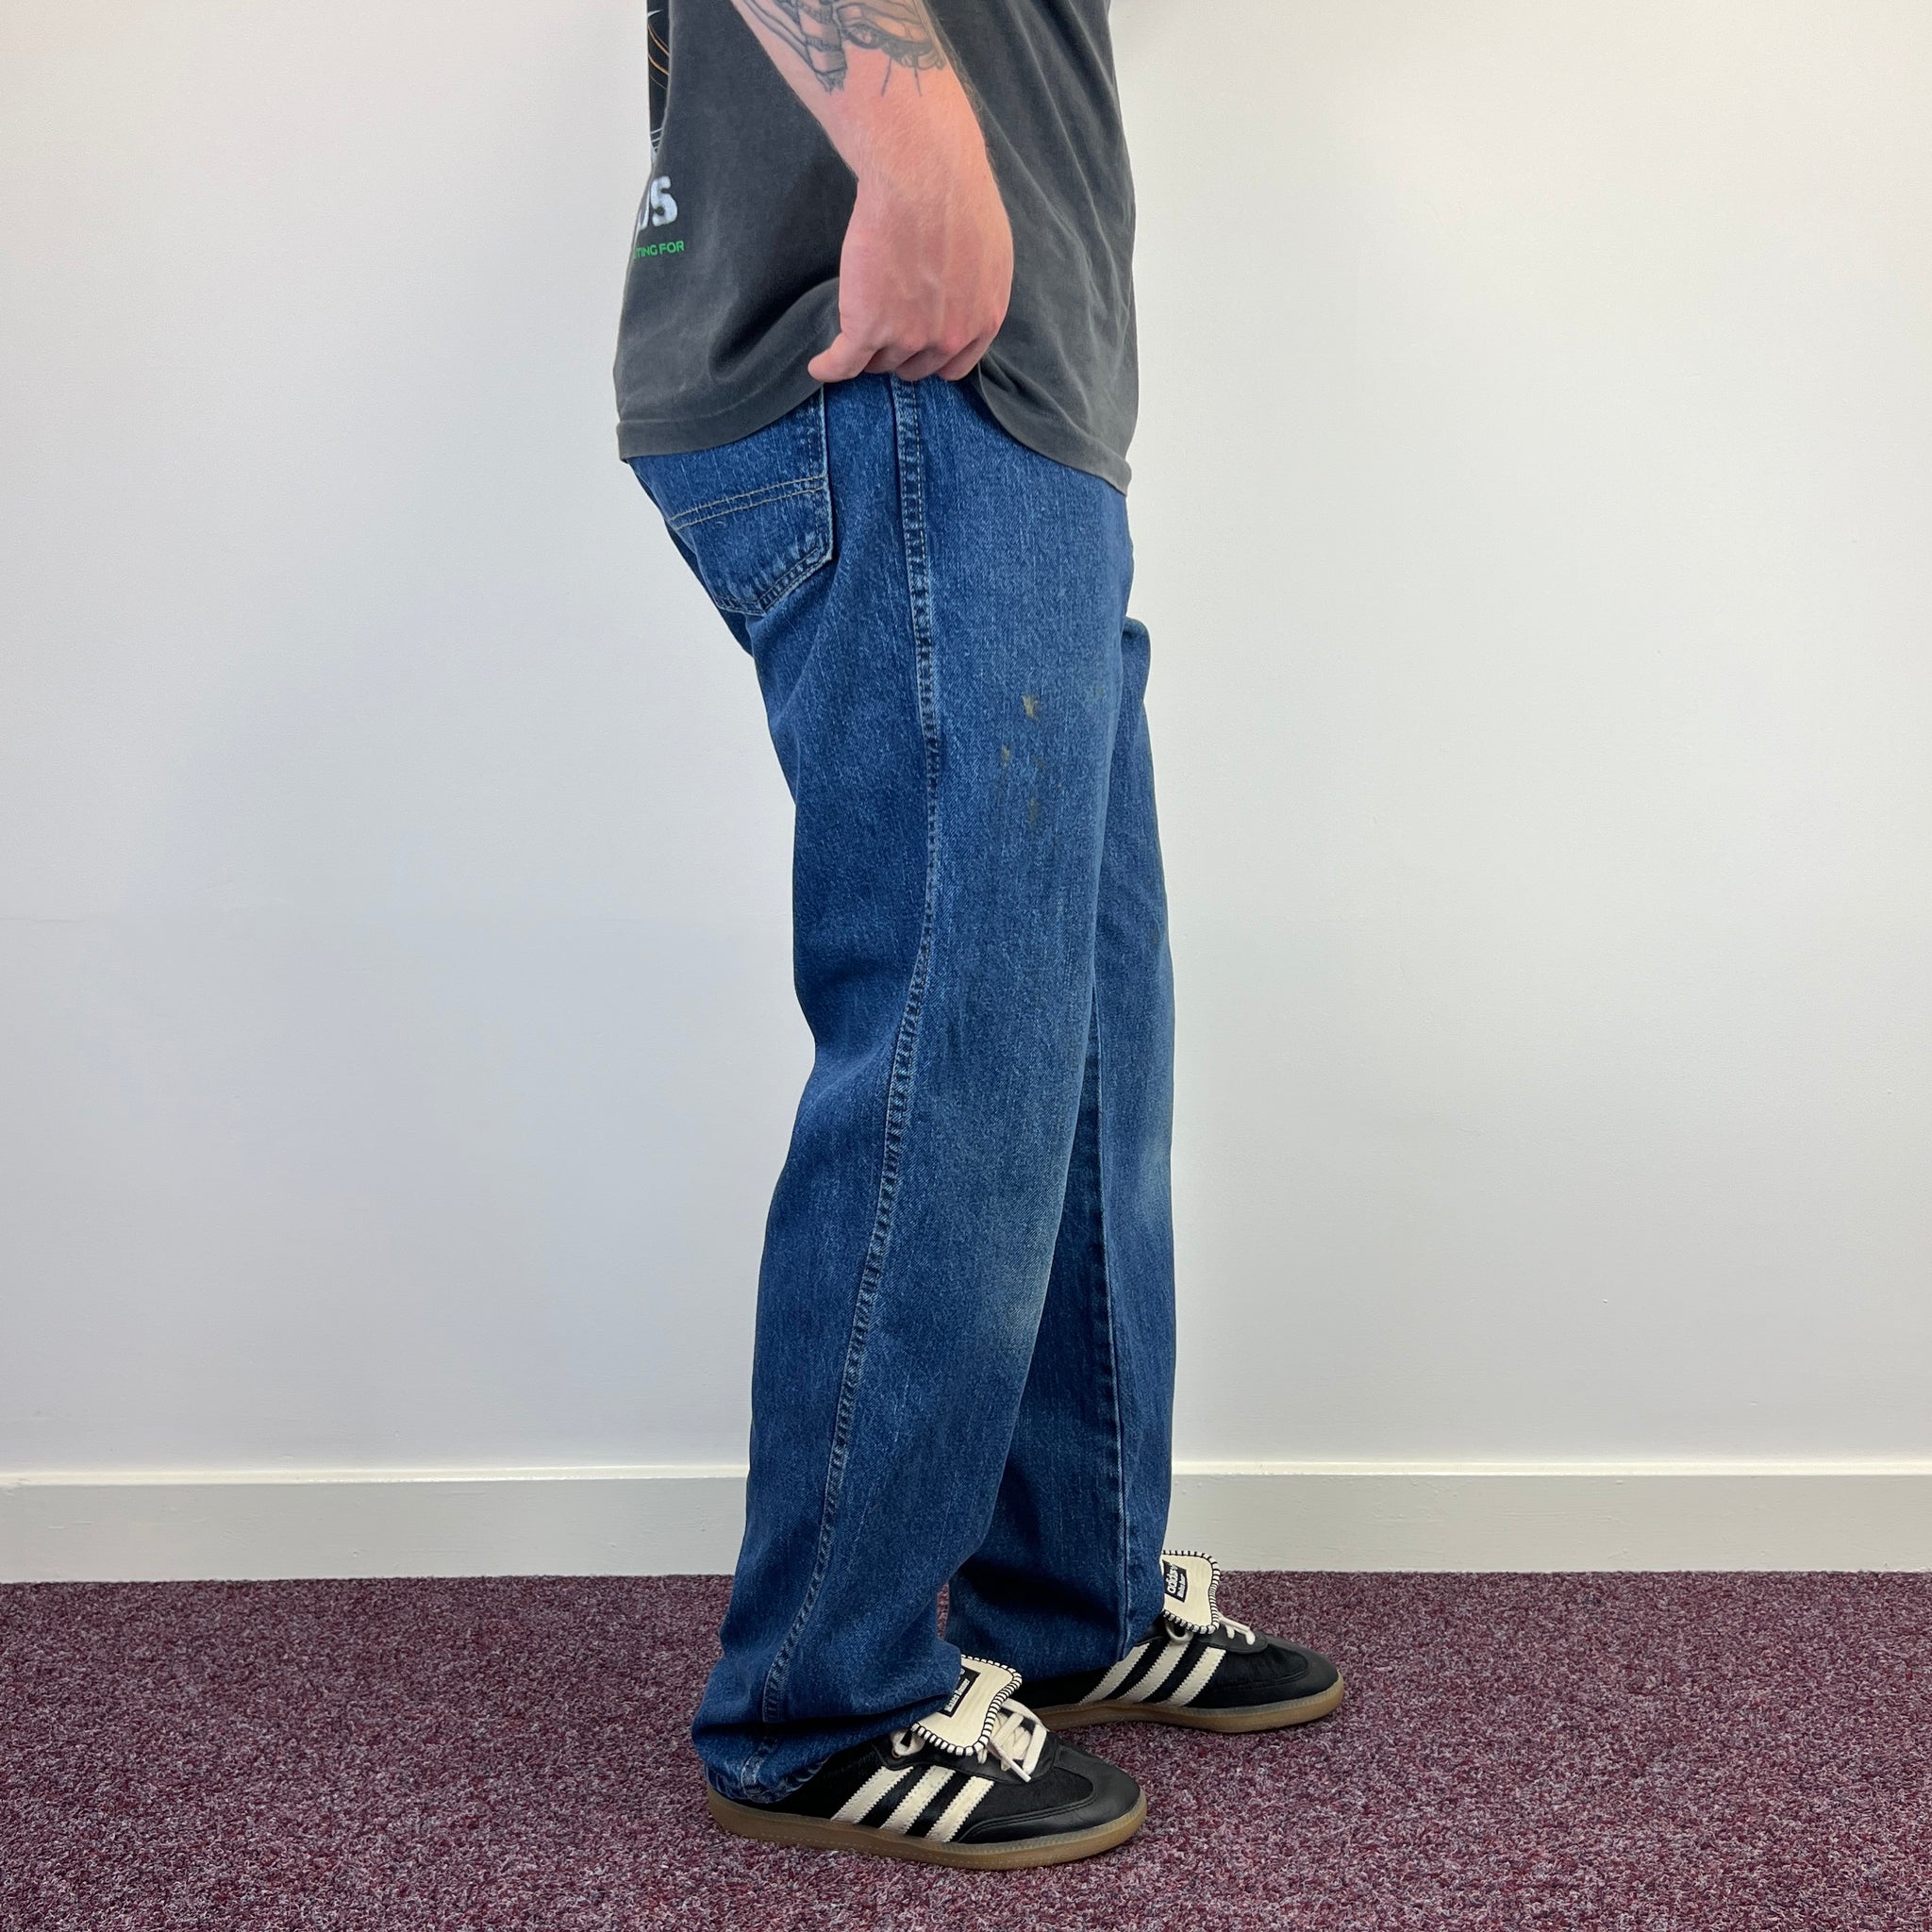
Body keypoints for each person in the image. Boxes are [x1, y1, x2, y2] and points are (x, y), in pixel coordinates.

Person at [615, 0, 1343, 1870]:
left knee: (1079, 1043)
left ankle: (1070, 1592)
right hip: (912, 365)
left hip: (1009, 405)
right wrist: (915, 136)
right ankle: (824, 1700)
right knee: (966, 1048)